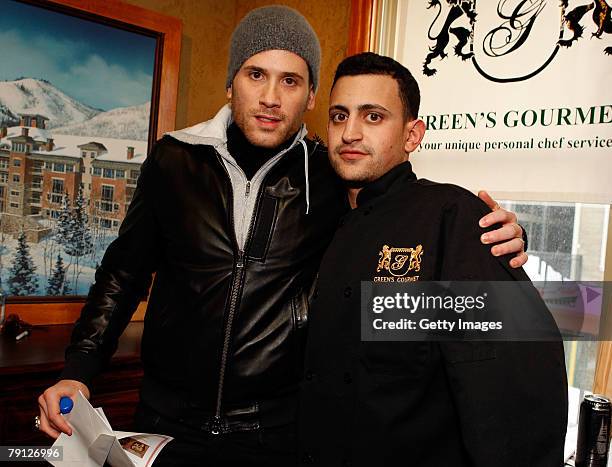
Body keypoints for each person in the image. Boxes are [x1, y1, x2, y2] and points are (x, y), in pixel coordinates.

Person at [37, 7, 528, 466]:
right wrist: (80, 367)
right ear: (231, 84)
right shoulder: (174, 160)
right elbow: (123, 272)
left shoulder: (333, 174)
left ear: (311, 97)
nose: (271, 97)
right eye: (256, 75)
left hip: (276, 433)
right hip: (167, 424)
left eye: (290, 80)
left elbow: (401, 220)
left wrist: (491, 236)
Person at [297, 52, 568, 466]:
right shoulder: (311, 212)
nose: (350, 132)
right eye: (339, 116)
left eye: (373, 117)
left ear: (412, 135)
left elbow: (519, 384)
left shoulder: (452, 218)